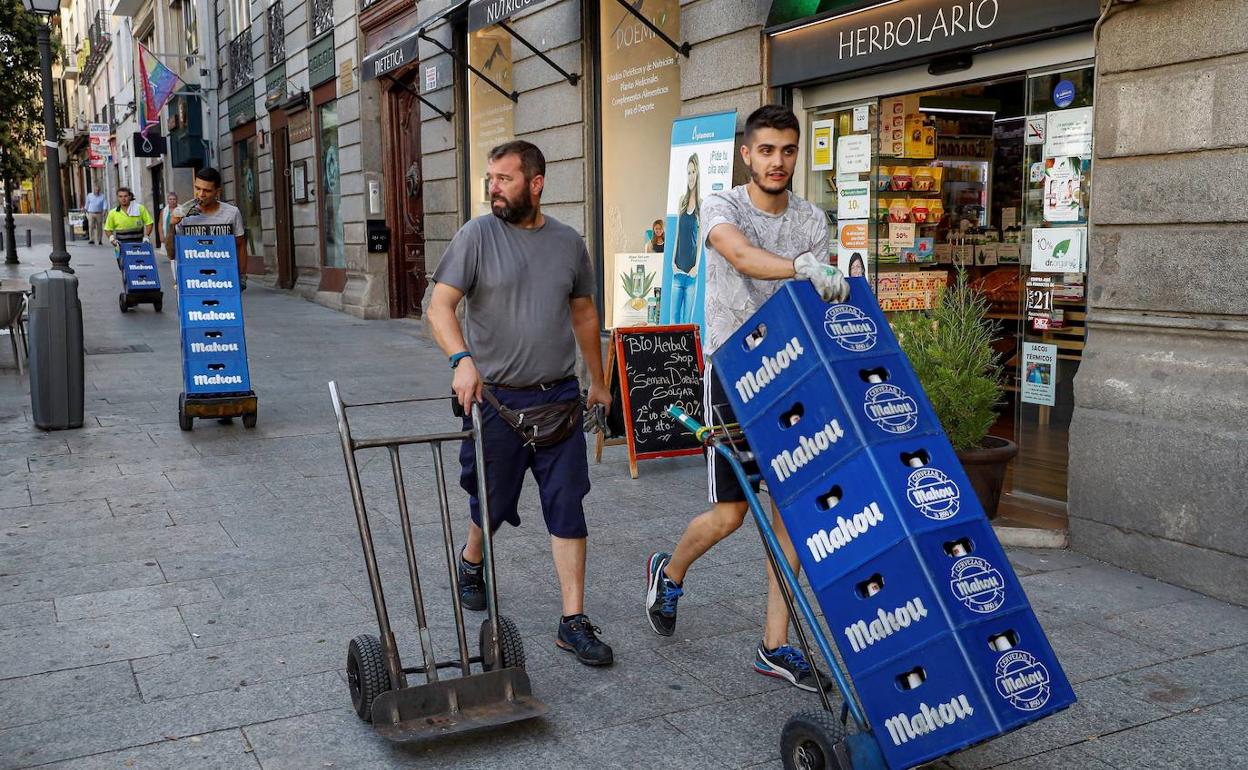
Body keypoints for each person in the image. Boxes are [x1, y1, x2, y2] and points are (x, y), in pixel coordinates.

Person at [645, 104, 848, 691]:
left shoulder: (812, 219)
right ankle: (671, 570)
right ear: (746, 155)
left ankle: (774, 646)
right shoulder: (722, 206)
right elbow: (737, 255)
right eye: (766, 150)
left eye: (787, 150)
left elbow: (813, 296)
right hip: (734, 376)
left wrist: (826, 283)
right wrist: (802, 268)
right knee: (733, 513)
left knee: (790, 516)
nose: (777, 161)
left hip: (794, 378)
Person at [427, 140, 615, 668]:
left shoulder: (568, 243)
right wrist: (461, 359)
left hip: (558, 399)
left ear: (535, 183)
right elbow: (440, 307)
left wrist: (597, 381)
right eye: (490, 179)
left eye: (504, 179)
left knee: (567, 506)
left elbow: (583, 313)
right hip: (495, 401)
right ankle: (472, 560)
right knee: (489, 499)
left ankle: (572, 621)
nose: (493, 189)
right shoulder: (477, 236)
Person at [169, 167, 248, 290]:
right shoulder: (183, 214)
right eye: (197, 188)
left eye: (207, 190)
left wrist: (242, 277)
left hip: (223, 279)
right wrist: (172, 225)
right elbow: (171, 254)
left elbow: (240, 245)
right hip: (194, 280)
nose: (201, 194)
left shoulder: (231, 213)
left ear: (217, 192)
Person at [669, 154, 702, 323]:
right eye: (688, 172)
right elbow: (677, 236)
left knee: (687, 323)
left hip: (691, 276)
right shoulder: (681, 201)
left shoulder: (701, 205)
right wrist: (672, 263)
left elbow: (701, 240)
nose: (690, 176)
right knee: (673, 321)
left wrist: (696, 266)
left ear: (698, 174)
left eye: (693, 172)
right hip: (678, 271)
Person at [103, 187, 154, 267]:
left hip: (139, 245)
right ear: (117, 198)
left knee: (140, 267)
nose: (123, 199)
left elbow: (149, 223)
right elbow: (107, 228)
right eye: (120, 196)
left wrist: (147, 236)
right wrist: (112, 239)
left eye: (125, 196)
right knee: (124, 268)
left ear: (130, 196)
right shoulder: (113, 213)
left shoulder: (140, 209)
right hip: (121, 246)